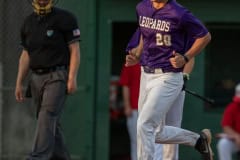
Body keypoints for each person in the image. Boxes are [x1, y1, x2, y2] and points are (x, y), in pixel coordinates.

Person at [125, 0, 213, 160]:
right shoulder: (142, 7)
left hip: (168, 76)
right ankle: (198, 141)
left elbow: (205, 36)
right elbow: (145, 35)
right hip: (146, 73)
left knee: (144, 125)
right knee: (155, 132)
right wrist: (137, 53)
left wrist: (186, 57)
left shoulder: (179, 13)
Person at [15, 0, 81, 159]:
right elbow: (25, 55)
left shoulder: (66, 18)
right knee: (50, 123)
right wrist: (19, 82)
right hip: (36, 78)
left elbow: (75, 50)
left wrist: (72, 77)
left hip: (57, 76)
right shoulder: (28, 23)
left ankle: (37, 156)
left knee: (47, 115)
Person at [126, 26, 195, 160]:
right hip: (151, 79)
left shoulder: (178, 23)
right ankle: (198, 140)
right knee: (152, 129)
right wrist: (134, 54)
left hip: (174, 81)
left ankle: (196, 141)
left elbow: (190, 57)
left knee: (170, 129)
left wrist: (184, 77)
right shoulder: (146, 23)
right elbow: (134, 51)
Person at [217, 83, 240, 160]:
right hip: (237, 140)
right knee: (223, 143)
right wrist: (236, 136)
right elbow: (226, 127)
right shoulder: (233, 106)